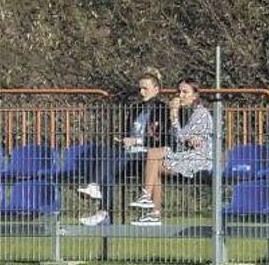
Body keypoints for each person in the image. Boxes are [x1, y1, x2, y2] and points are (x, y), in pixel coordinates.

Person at [77, 69, 169, 226]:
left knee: (112, 161)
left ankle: (102, 206)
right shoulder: (135, 109)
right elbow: (129, 132)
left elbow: (160, 138)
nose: (141, 92)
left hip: (146, 154)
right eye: (140, 88)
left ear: (156, 89)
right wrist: (122, 140)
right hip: (129, 153)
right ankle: (100, 201)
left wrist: (137, 141)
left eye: (145, 88)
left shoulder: (162, 109)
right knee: (104, 154)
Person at [127, 77, 214, 227]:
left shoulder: (201, 113)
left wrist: (173, 115)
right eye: (179, 92)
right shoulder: (186, 112)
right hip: (184, 155)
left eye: (185, 92)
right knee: (155, 166)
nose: (180, 95)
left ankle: (146, 196)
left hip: (197, 159)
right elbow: (178, 139)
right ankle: (154, 213)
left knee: (154, 154)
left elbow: (180, 140)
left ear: (195, 95)